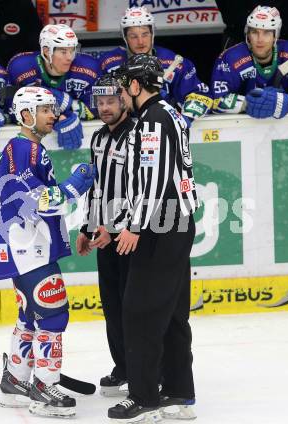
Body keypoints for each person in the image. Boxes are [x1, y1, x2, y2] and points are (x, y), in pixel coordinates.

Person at [0, 86, 96, 417]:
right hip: (28, 248)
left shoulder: (25, 149)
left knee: (29, 315)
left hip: (24, 246)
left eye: (53, 108)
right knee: (53, 313)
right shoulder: (25, 151)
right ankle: (43, 387)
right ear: (25, 115)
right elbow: (41, 201)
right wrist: (76, 184)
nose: (55, 115)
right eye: (46, 109)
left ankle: (16, 380)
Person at [106, 54, 198, 423]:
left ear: (135, 85)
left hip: (161, 224)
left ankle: (144, 396)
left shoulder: (153, 120)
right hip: (175, 222)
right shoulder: (170, 112)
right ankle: (179, 390)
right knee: (172, 312)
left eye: (124, 85)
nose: (121, 93)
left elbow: (156, 179)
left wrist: (135, 225)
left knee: (139, 310)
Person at [76, 74, 134, 397]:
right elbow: (95, 189)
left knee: (133, 307)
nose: (105, 107)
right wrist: (87, 227)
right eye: (100, 102)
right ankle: (123, 367)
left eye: (111, 101)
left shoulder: (137, 136)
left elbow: (139, 190)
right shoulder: (98, 139)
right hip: (103, 237)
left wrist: (116, 229)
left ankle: (143, 369)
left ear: (123, 100)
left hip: (129, 237)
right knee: (112, 306)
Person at [99, 6, 212, 125]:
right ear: (125, 38)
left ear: (152, 34)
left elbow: (201, 95)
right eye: (133, 36)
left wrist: (184, 119)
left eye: (145, 34)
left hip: (163, 128)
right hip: (123, 132)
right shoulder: (110, 63)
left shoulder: (171, 62)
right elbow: (95, 99)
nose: (141, 42)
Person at [7, 24, 100, 150]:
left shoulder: (88, 67)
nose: (69, 57)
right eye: (63, 51)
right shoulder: (20, 68)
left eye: (72, 50)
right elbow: (9, 107)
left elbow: (98, 107)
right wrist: (58, 116)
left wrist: (65, 110)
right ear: (46, 51)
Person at [211, 6, 288, 119]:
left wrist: (286, 102)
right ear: (248, 34)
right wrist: (247, 104)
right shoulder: (230, 58)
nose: (260, 39)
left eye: (266, 32)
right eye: (254, 32)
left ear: (275, 36)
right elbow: (216, 99)